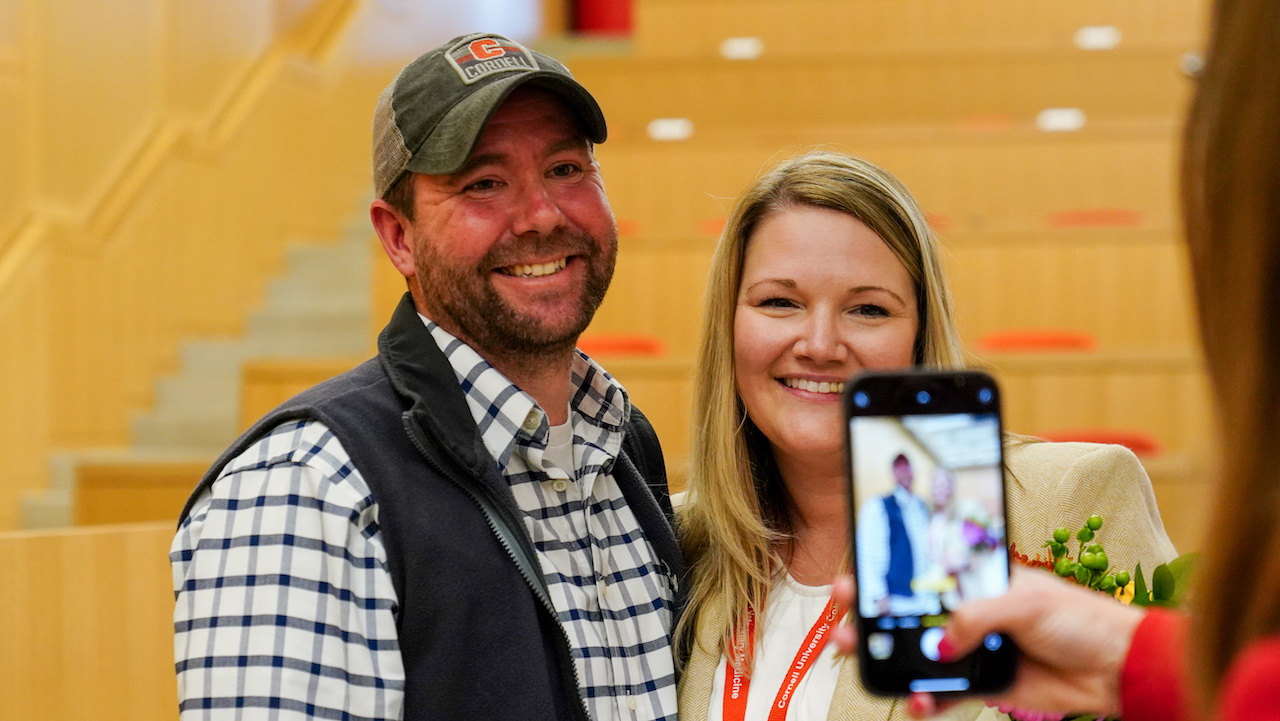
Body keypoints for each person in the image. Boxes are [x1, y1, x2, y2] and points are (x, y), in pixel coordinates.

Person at [170, 34, 683, 721]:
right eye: (483, 183)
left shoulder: (621, 448)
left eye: (566, 169)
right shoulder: (309, 489)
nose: (542, 215)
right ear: (398, 237)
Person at [833, 0, 1280, 719]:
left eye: (1205, 79)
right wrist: (1132, 658)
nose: (822, 341)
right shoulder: (686, 540)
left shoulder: (1062, 493)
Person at [673, 151, 1177, 721]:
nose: (819, 343)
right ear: (730, 325)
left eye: (867, 309)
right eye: (779, 302)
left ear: (919, 334)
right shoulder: (674, 542)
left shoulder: (1061, 502)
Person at [856, 454, 938, 617]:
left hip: (924, 599)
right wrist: (879, 595)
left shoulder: (921, 506)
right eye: (900, 468)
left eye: (907, 467)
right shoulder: (878, 506)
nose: (905, 472)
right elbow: (866, 553)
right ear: (893, 473)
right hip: (896, 602)